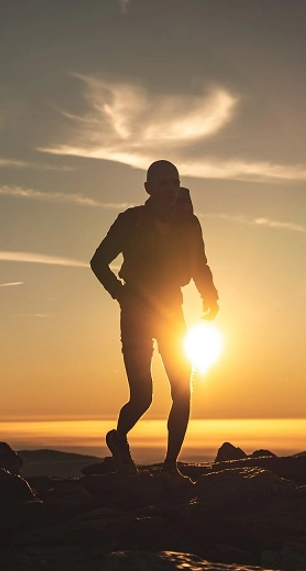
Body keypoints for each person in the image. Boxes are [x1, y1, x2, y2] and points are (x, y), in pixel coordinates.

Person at [90, 160, 219, 484]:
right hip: (135, 314)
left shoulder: (189, 224)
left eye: (174, 182)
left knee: (182, 391)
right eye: (162, 183)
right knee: (142, 396)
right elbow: (98, 261)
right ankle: (119, 438)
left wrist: (211, 296)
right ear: (148, 188)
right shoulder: (130, 220)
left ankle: (169, 467)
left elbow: (199, 262)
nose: (170, 189)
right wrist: (120, 294)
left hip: (172, 312)